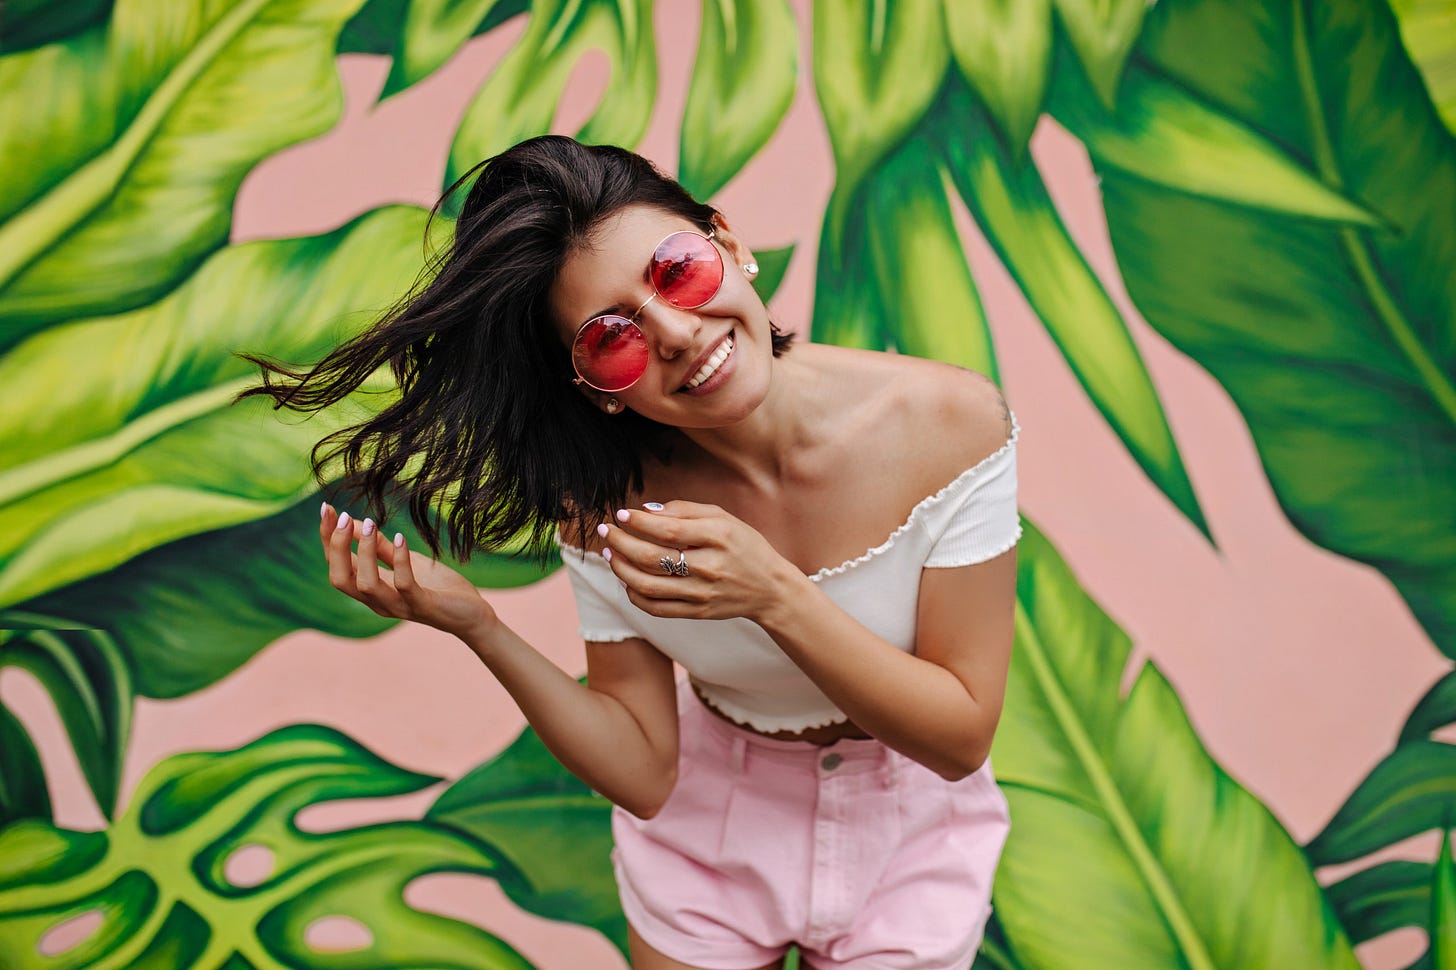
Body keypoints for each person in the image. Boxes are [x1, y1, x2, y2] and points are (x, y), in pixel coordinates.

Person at [238, 134, 1021, 970]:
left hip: (910, 828)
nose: (678, 335)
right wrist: (480, 627)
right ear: (591, 387)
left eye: (677, 271)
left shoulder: (946, 426)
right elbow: (646, 771)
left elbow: (958, 738)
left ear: (728, 243)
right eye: (613, 336)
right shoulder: (607, 508)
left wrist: (773, 595)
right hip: (709, 828)